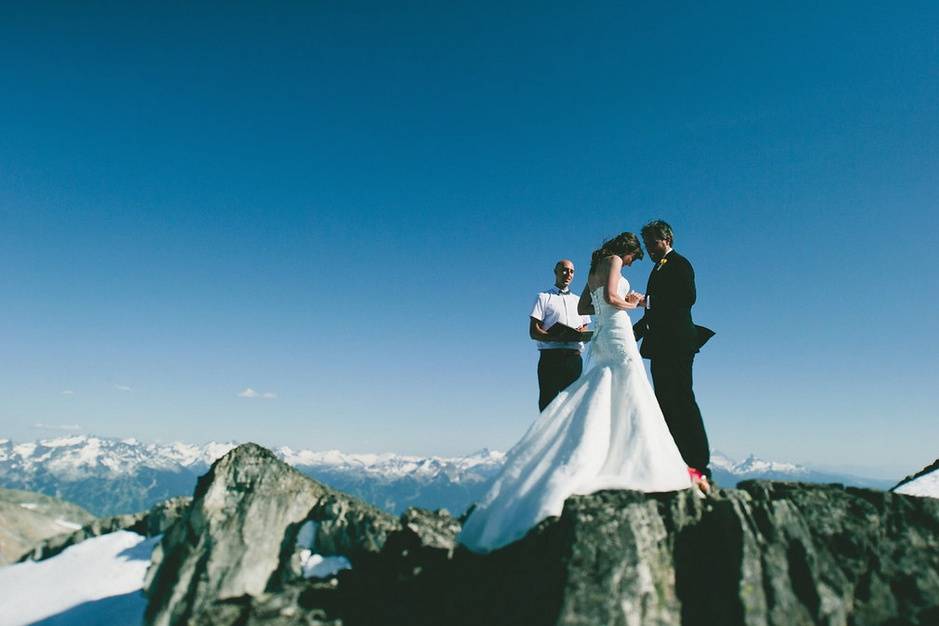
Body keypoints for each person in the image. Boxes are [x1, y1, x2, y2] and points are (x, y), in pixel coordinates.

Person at [459, 233, 692, 553]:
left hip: (604, 332)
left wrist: (608, 308)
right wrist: (634, 303)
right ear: (626, 251)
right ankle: (629, 458)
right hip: (618, 329)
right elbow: (611, 298)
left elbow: (585, 305)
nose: (630, 263)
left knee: (607, 387)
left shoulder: (594, 267)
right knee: (629, 385)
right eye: (632, 258)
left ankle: (609, 450)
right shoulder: (611, 261)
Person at [633, 219, 713, 492]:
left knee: (683, 398)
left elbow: (687, 297)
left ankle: (700, 463)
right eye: (647, 245)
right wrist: (628, 336)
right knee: (666, 402)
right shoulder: (657, 268)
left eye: (652, 243)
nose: (649, 249)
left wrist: (647, 300)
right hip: (661, 346)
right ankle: (679, 461)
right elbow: (652, 315)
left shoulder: (679, 263)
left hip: (677, 344)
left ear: (666, 240)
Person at [529, 260, 592, 411]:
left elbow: (584, 327)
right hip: (551, 358)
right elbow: (533, 331)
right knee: (548, 405)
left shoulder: (579, 301)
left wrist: (580, 333)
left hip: (574, 359)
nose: (568, 274)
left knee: (573, 406)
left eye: (571, 271)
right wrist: (554, 337)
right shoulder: (543, 297)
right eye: (564, 270)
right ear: (555, 272)